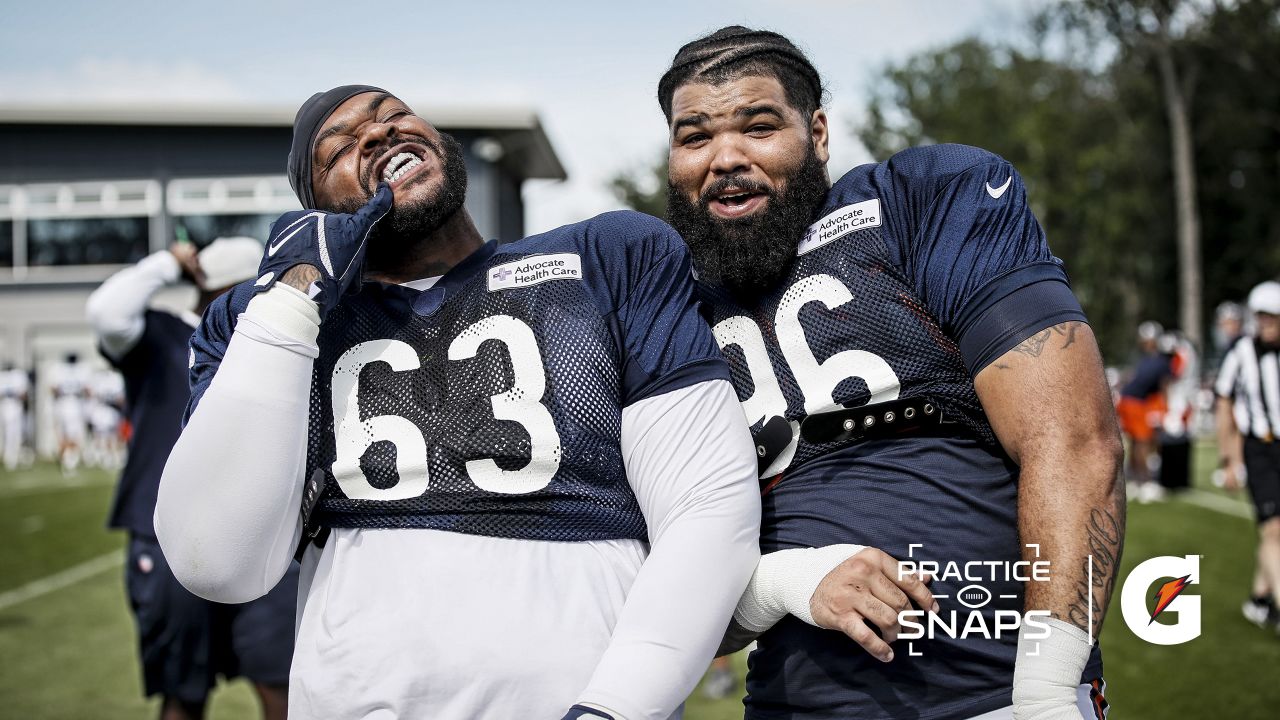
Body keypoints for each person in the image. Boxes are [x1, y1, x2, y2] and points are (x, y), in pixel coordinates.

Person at [154, 85, 762, 720]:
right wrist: (291, 295)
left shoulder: (609, 257)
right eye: (339, 147)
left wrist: (618, 705)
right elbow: (217, 561)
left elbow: (706, 503)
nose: (377, 134)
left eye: (392, 115)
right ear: (317, 209)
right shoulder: (261, 322)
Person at [658, 27, 1124, 720]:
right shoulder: (664, 303)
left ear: (817, 134)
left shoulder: (920, 200)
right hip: (793, 704)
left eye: (758, 126)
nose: (726, 157)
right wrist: (786, 579)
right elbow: (654, 597)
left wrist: (1049, 689)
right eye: (694, 137)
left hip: (998, 693)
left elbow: (1073, 438)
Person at [86, 238, 298, 720]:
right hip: (171, 533)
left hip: (263, 530)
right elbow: (106, 311)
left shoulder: (271, 339)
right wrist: (168, 263)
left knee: (282, 684)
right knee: (183, 691)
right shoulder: (160, 333)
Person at [1216, 280, 1280, 632]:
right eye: (1262, 317)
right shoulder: (1242, 351)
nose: (1266, 323)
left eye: (1273, 317)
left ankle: (1259, 599)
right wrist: (1229, 459)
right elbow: (1224, 400)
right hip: (1261, 447)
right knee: (1273, 528)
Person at [1116, 321, 1174, 503]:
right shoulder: (1158, 361)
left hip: (1130, 401)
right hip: (1134, 403)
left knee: (1136, 442)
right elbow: (1164, 387)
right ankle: (1145, 482)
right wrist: (1167, 409)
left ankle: (1135, 480)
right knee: (1142, 442)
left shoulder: (1147, 360)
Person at [49, 352, 89, 475]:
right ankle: (69, 462)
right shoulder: (79, 371)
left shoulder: (59, 370)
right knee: (72, 434)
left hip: (65, 403)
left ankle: (68, 461)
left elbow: (53, 390)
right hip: (72, 404)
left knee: (67, 434)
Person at [0, 362, 30, 471]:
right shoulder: (2, 376)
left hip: (16, 407)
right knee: (7, 433)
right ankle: (8, 457)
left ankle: (14, 457)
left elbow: (23, 395)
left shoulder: (19, 376)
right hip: (4, 407)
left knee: (16, 433)